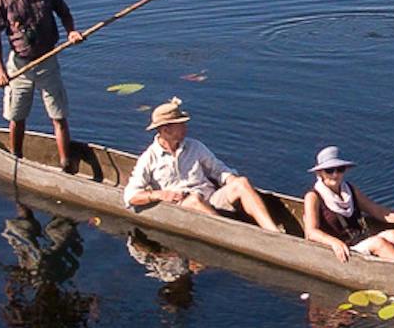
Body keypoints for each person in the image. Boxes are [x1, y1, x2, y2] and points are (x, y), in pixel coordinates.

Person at [118, 97, 286, 232]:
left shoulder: (195, 147)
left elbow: (219, 170)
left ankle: (272, 233)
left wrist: (230, 179)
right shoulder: (149, 158)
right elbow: (130, 196)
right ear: (166, 130)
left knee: (241, 183)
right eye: (181, 125)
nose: (185, 128)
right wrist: (159, 195)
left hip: (211, 199)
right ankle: (231, 234)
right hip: (184, 205)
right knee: (194, 200)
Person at [0, 0, 85, 172]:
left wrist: (72, 32)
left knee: (58, 116)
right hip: (19, 66)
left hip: (47, 61)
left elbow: (64, 13)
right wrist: (0, 70)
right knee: (16, 116)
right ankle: (15, 159)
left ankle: (65, 164)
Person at [295, 147, 394, 266]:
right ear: (320, 173)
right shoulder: (313, 197)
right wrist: (334, 242)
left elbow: (376, 210)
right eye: (330, 170)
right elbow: (311, 232)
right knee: (378, 242)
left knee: (391, 234)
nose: (336, 174)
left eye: (340, 169)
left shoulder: (349, 190)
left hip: (358, 240)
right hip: (340, 248)